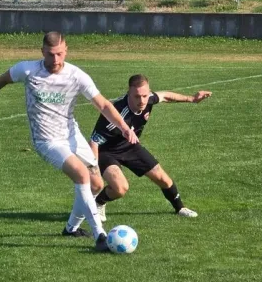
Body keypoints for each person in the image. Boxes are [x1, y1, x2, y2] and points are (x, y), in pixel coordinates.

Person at [0, 31, 138, 252]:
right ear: (42, 52)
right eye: (51, 55)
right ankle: (100, 235)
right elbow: (4, 78)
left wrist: (125, 127)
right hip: (46, 140)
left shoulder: (77, 75)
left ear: (66, 50)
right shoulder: (28, 70)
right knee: (81, 174)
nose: (55, 60)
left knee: (96, 184)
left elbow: (104, 105)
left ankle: (71, 228)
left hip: (71, 135)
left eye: (60, 54)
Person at [89, 74, 212, 222]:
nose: (142, 101)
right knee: (120, 188)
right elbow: (94, 141)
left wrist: (191, 99)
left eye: (145, 96)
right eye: (137, 96)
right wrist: (94, 170)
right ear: (129, 92)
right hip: (106, 151)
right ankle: (98, 202)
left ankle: (180, 208)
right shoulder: (115, 113)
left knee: (163, 179)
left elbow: (165, 96)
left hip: (130, 146)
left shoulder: (148, 99)